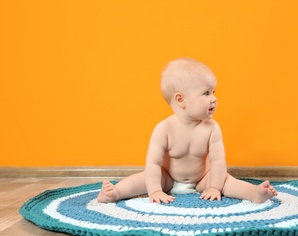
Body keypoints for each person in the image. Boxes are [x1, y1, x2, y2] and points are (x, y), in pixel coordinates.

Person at [97, 58, 277, 204]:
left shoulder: (212, 128)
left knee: (226, 181)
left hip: (202, 179)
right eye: (206, 93)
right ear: (181, 99)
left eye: (214, 92)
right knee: (142, 179)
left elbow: (218, 161)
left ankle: (253, 193)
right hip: (167, 179)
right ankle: (115, 193)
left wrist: (214, 186)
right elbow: (153, 164)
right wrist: (155, 190)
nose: (214, 99)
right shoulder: (164, 129)